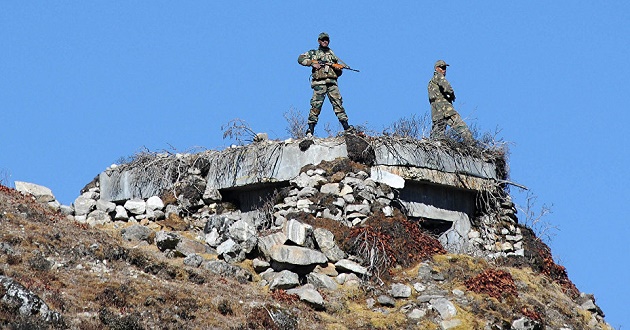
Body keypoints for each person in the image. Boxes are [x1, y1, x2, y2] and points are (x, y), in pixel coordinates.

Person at [298, 32, 354, 137]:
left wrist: (337, 69)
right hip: (320, 83)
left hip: (332, 83)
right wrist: (312, 63)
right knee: (316, 105)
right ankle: (310, 130)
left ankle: (346, 127)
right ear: (319, 41)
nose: (325, 41)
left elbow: (338, 72)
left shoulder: (332, 54)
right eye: (323, 40)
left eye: (326, 40)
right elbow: (300, 59)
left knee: (338, 104)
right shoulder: (314, 53)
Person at [427, 60, 473, 142]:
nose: (444, 70)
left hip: (437, 113)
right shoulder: (438, 76)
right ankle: (472, 145)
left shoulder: (430, 83)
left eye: (445, 68)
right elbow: (447, 87)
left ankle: (433, 150)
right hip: (446, 109)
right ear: (436, 68)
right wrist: (452, 95)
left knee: (437, 135)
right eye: (442, 68)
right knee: (462, 127)